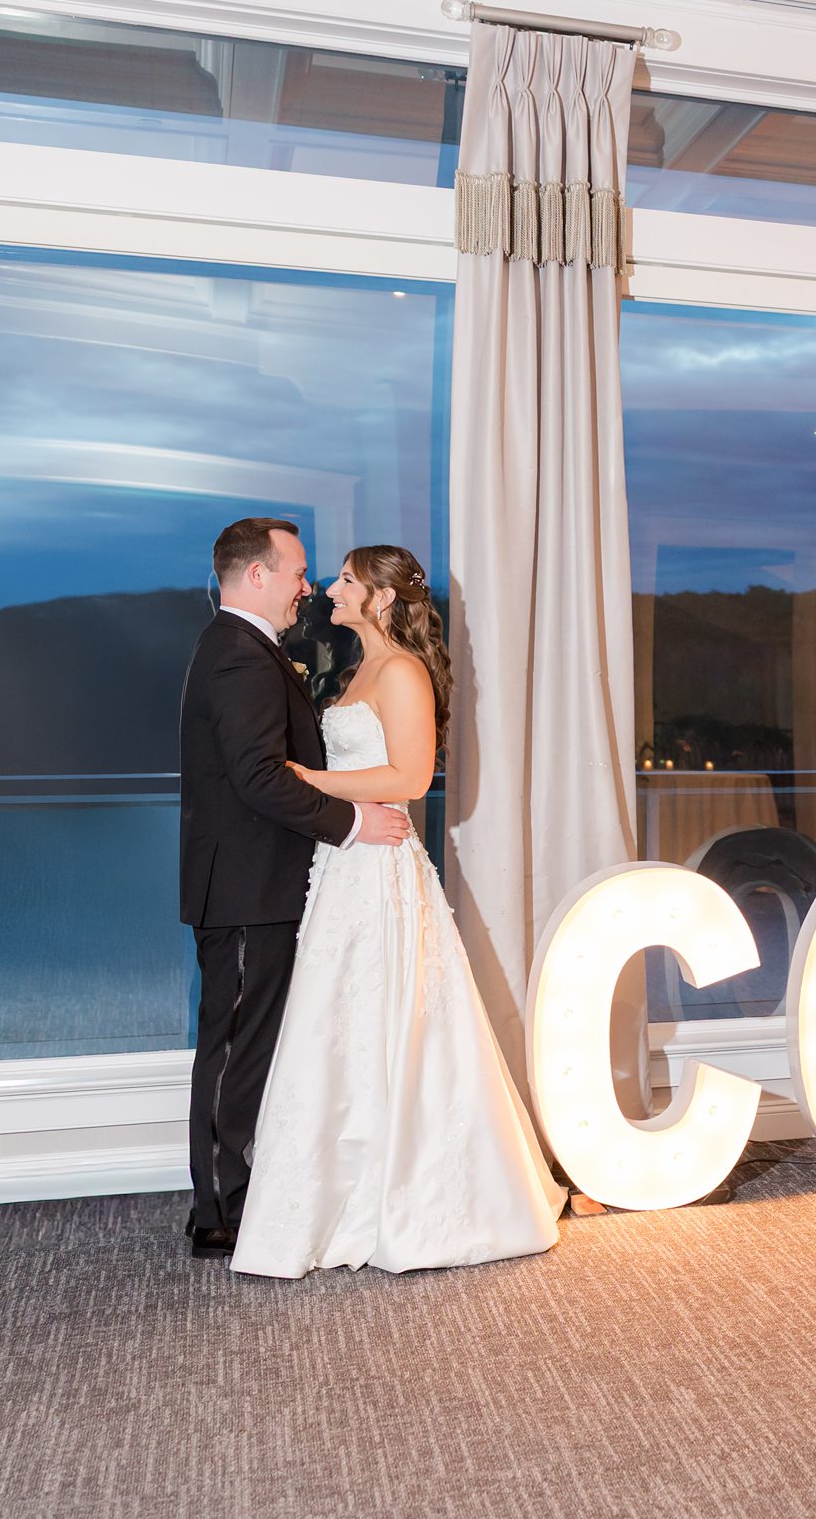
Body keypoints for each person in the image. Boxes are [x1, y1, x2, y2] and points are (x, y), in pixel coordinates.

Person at [231, 544, 565, 1278]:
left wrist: (307, 778)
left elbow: (411, 778)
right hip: (347, 863)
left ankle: (406, 1202)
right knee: (340, 1023)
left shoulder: (403, 672)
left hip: (381, 869)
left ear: (382, 598)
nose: (328, 588)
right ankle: (340, 1199)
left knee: (388, 1020)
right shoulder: (358, 670)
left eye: (346, 580)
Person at [179, 518, 414, 1261]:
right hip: (248, 888)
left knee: (243, 1041)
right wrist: (349, 824)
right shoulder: (239, 657)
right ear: (257, 576)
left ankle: (229, 1195)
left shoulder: (238, 648)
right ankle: (221, 1209)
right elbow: (256, 778)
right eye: (297, 572)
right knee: (237, 1045)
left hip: (255, 883)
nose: (306, 587)